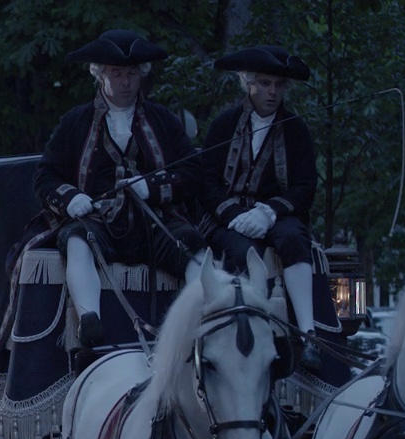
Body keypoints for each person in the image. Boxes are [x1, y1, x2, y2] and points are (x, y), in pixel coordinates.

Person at [30, 29, 203, 348]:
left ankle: (202, 325)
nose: (125, 82)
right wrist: (71, 199)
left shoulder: (162, 119)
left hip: (154, 222)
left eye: (132, 74)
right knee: (76, 239)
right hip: (99, 223)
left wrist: (152, 187)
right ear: (100, 75)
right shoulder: (75, 122)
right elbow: (45, 177)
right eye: (117, 74)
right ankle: (89, 321)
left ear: (142, 75)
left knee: (191, 245)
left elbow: (192, 171)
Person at [201, 45, 322, 371]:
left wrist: (268, 212)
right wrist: (232, 214)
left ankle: (309, 336)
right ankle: (249, 336)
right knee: (242, 250)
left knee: (295, 239)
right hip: (231, 220)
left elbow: (305, 186)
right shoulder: (223, 126)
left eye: (279, 85)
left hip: (278, 216)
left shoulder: (296, 129)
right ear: (248, 83)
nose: (273, 92)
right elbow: (206, 182)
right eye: (266, 83)